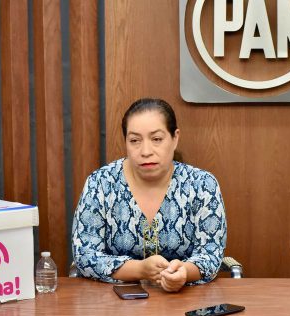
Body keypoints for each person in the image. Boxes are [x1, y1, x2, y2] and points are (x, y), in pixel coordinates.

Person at [72, 98, 227, 292]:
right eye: (135, 141)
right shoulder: (100, 183)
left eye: (156, 139)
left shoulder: (202, 184)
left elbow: (211, 255)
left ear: (175, 138)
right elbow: (85, 255)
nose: (145, 151)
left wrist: (183, 273)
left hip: (186, 300)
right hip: (111, 301)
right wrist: (140, 270)